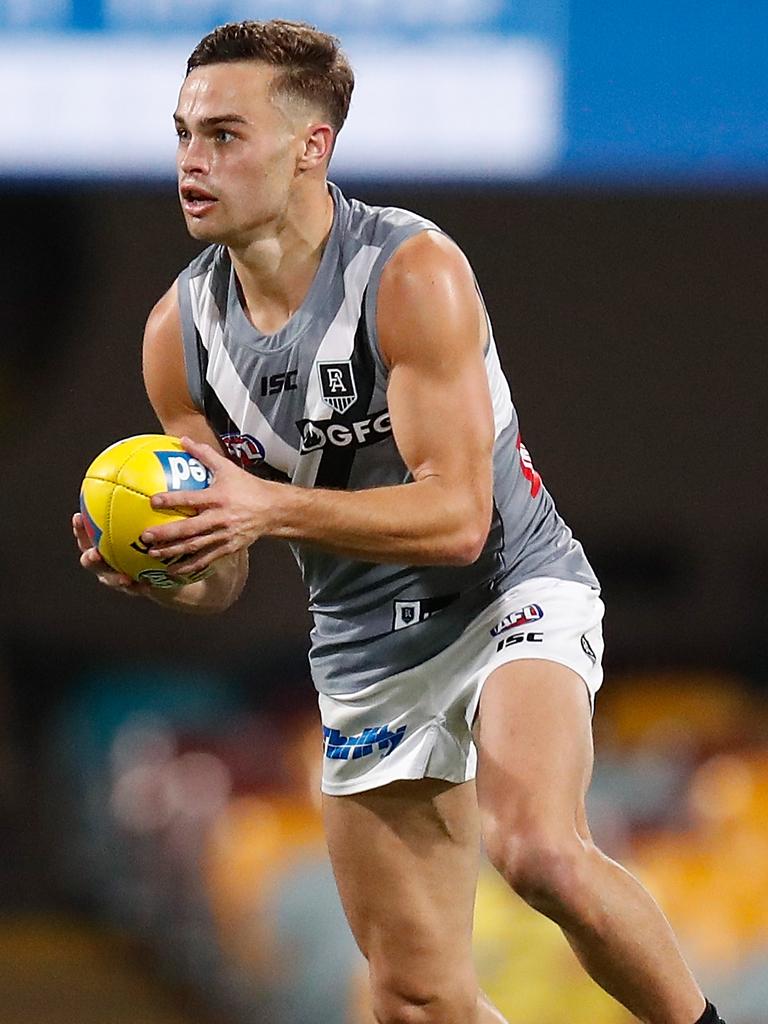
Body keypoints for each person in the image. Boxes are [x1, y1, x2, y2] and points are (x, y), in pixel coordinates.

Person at [73, 19, 725, 1024]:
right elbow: (230, 569)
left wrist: (266, 505)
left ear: (311, 148)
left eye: (225, 135)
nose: (193, 162)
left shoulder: (411, 274)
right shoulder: (179, 338)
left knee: (538, 848)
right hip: (367, 643)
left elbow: (460, 518)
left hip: (510, 589)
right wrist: (170, 567)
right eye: (183, 134)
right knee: (414, 998)